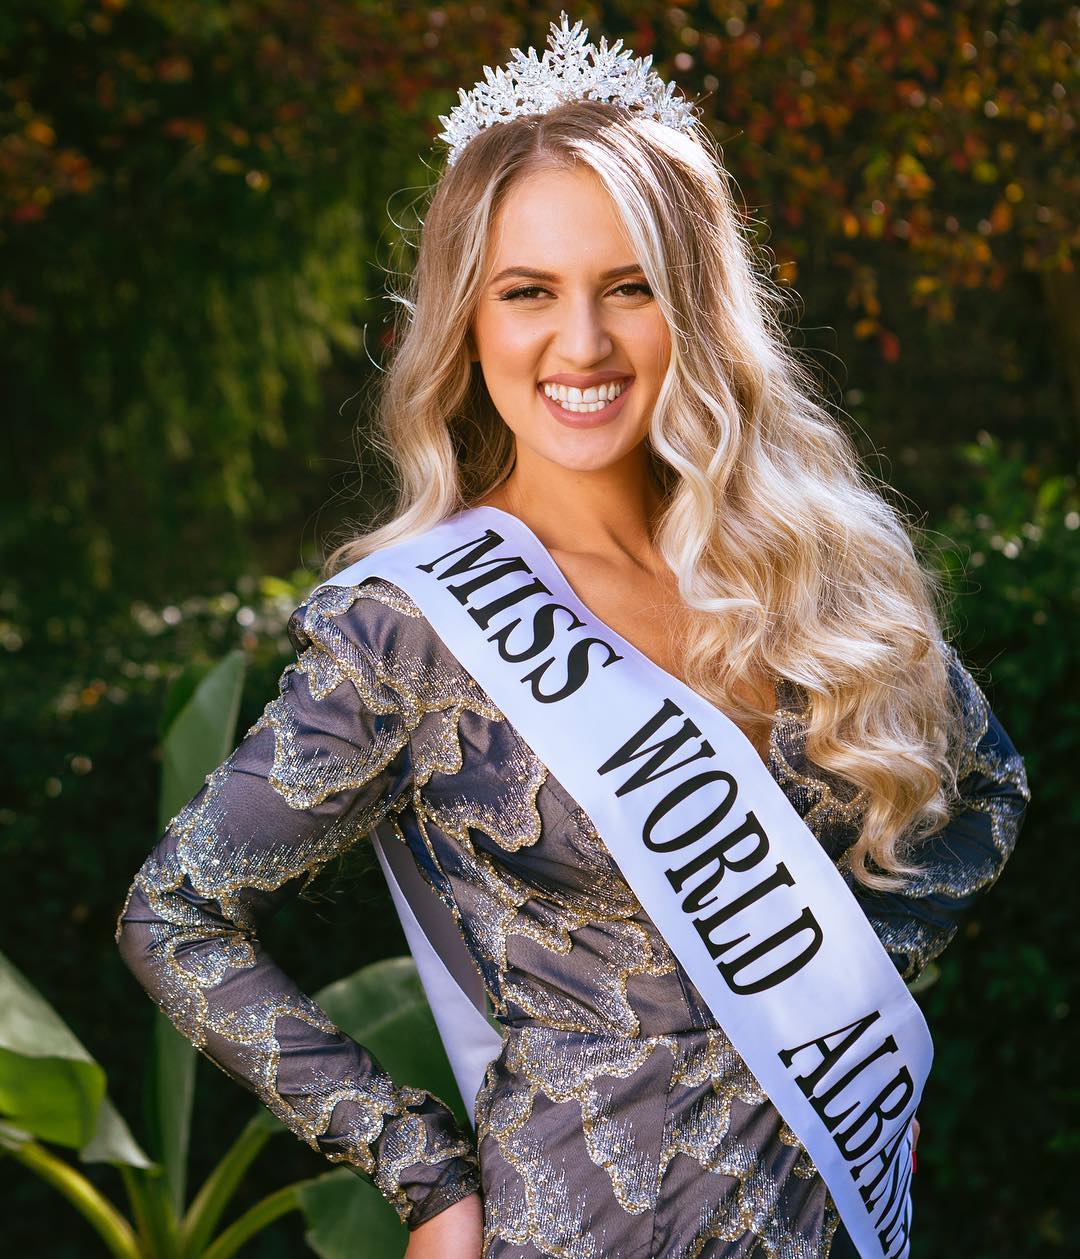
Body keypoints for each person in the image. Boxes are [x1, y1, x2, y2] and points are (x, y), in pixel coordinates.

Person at [115, 14, 1029, 1258]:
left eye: (630, 287)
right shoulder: (412, 629)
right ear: (467, 318)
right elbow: (175, 912)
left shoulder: (810, 569)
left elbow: (986, 786)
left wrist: (857, 1030)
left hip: (833, 1211)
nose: (583, 343)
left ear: (696, 306)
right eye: (528, 291)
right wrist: (423, 1172)